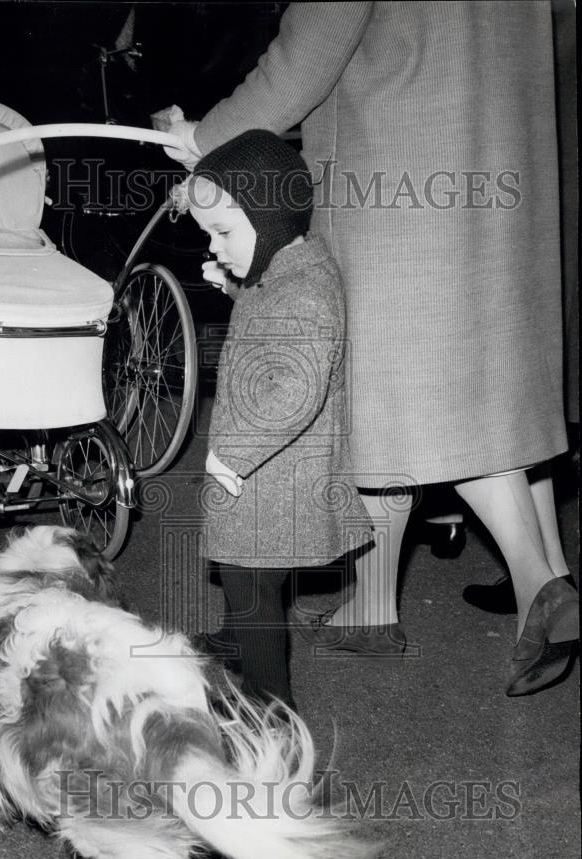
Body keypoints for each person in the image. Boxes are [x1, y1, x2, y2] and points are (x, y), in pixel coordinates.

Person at [159, 1, 578, 697]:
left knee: (402, 399)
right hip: (501, 163)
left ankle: (542, 586)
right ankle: (370, 609)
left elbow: (308, 53)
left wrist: (206, 134)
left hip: (398, 172)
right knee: (475, 393)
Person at [179, 128, 372, 707]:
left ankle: (273, 720)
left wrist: (233, 451)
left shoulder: (305, 289)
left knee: (250, 582)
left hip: (272, 480)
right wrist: (239, 292)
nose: (214, 246)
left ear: (268, 215)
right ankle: (238, 641)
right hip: (273, 479)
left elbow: (294, 388)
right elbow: (275, 331)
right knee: (254, 580)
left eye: (222, 231)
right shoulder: (289, 271)